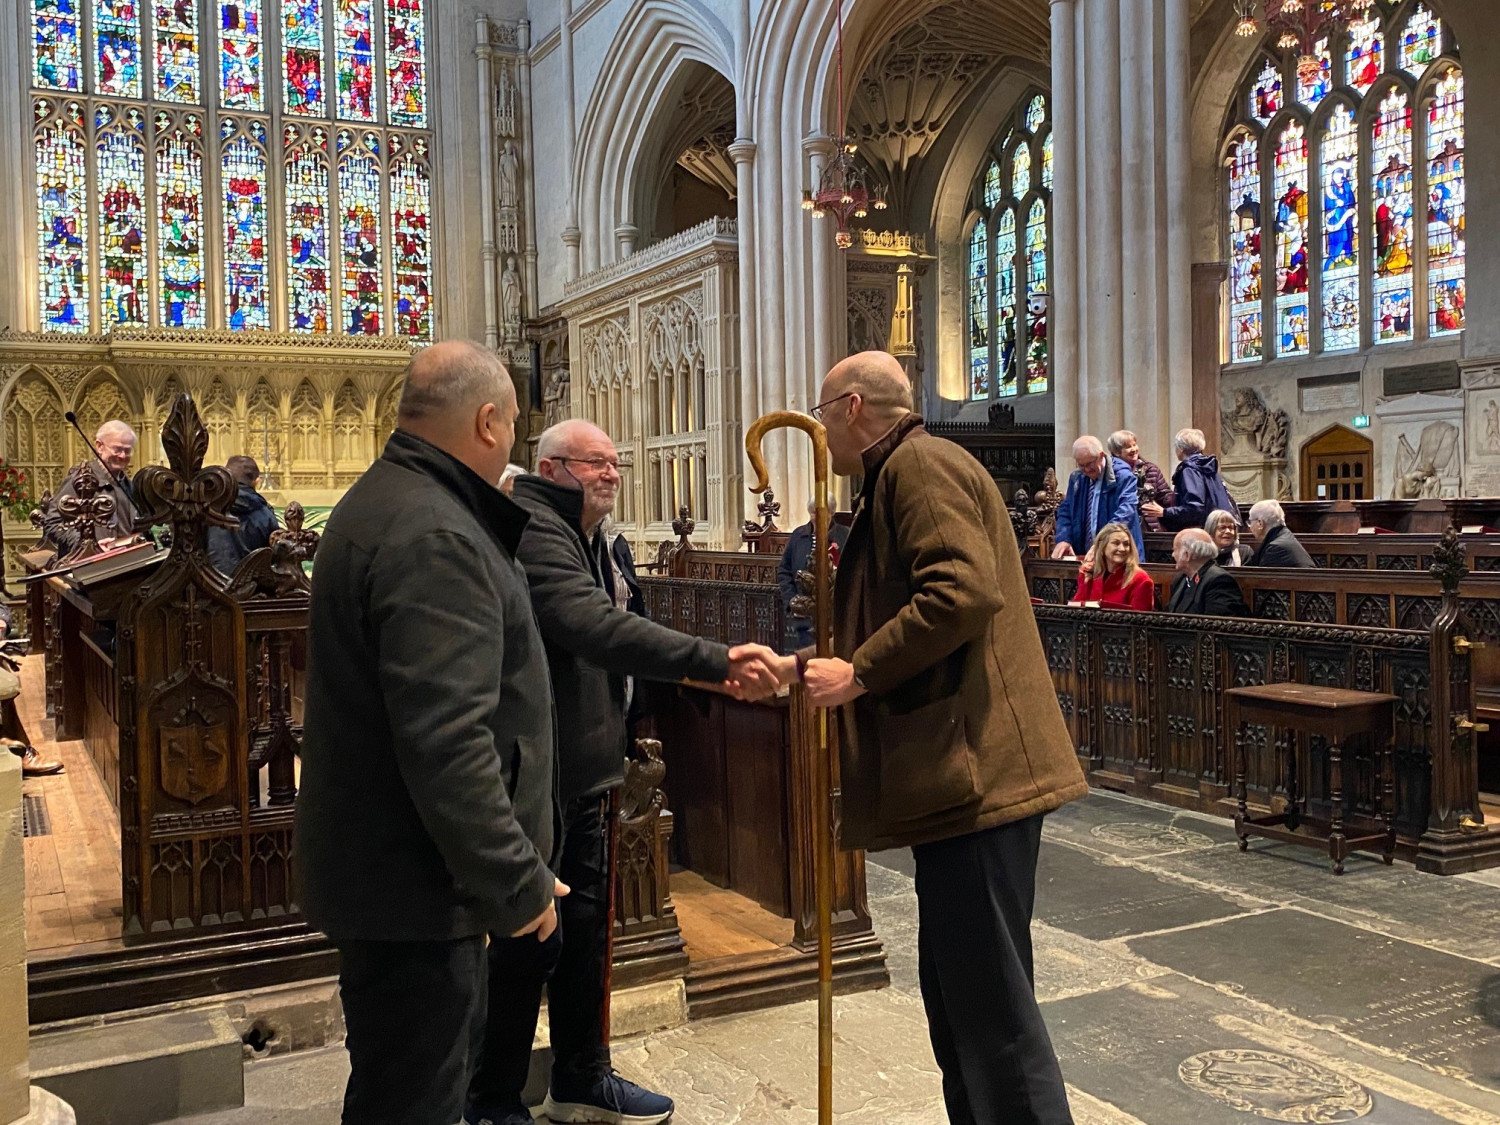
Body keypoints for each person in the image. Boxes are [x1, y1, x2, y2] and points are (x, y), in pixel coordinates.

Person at [767, 351, 1086, 1124]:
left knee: (996, 1019)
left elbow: (960, 591)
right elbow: (906, 607)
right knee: (960, 1007)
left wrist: (859, 673)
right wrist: (819, 663)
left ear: (850, 407)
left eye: (820, 412)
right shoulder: (899, 472)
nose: (817, 432)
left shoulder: (919, 466)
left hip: (981, 775)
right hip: (961, 776)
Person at [474, 420, 782, 1125]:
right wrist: (715, 659)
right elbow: (586, 623)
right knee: (529, 935)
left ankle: (582, 1074)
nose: (612, 474)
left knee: (584, 934)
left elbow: (622, 620)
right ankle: (492, 1097)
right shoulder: (531, 523)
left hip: (587, 766)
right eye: (596, 464)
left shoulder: (594, 537)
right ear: (552, 467)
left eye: (615, 463)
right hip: (536, 775)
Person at [295, 341, 565, 1125]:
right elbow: (447, 741)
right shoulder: (435, 532)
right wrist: (516, 880)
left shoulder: (394, 500)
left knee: (398, 1086)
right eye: (513, 424)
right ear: (487, 421)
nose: (512, 441)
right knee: (413, 1098)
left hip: (400, 876)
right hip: (415, 886)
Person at [42, 420, 140, 555]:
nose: (122, 456)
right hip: (91, 565)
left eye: (127, 451)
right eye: (117, 449)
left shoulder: (129, 486)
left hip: (128, 564)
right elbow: (52, 523)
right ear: (99, 446)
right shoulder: (81, 481)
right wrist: (86, 545)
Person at [1050, 435, 1143, 559]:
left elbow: (1126, 512)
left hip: (1119, 555)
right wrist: (1063, 538)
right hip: (1085, 555)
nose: (1086, 470)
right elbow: (1066, 510)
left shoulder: (1123, 477)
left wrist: (1102, 543)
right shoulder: (1077, 478)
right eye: (1081, 465)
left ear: (1100, 456)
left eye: (1089, 464)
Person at [778, 498, 851, 649]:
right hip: (804, 617)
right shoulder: (798, 535)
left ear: (832, 513)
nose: (816, 518)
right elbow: (784, 570)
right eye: (813, 513)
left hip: (836, 616)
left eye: (823, 513)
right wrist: (791, 601)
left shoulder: (844, 535)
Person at [1141, 428, 1240, 532]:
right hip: (1216, 527)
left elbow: (1194, 508)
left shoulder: (1190, 470)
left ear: (1181, 449)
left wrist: (1164, 512)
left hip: (1199, 531)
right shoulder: (1206, 466)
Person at [206, 455, 279, 574]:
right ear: (257, 482)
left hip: (207, 586)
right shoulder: (265, 515)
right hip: (254, 588)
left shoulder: (205, 509)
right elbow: (275, 559)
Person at [1166, 528, 1249, 617]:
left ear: (1187, 555)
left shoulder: (1220, 581)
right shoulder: (1180, 579)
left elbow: (1217, 624)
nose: (1173, 555)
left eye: (1175, 550)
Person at [1073, 523, 1156, 610]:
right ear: (1102, 546)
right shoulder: (1089, 572)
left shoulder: (1141, 580)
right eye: (1116, 543)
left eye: (1126, 544)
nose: (1122, 549)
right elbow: (1076, 610)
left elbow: (1140, 620)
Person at [1107, 430, 1174, 531]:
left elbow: (1165, 495)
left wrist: (1167, 509)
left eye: (1134, 445)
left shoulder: (1150, 469)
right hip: (1123, 528)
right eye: (1128, 447)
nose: (1134, 449)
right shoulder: (1110, 474)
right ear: (1116, 452)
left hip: (1151, 529)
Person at [1244, 499, 1317, 568]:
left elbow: (1260, 579)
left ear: (1260, 523)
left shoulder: (1276, 548)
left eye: (1250, 522)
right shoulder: (1283, 536)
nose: (1250, 527)